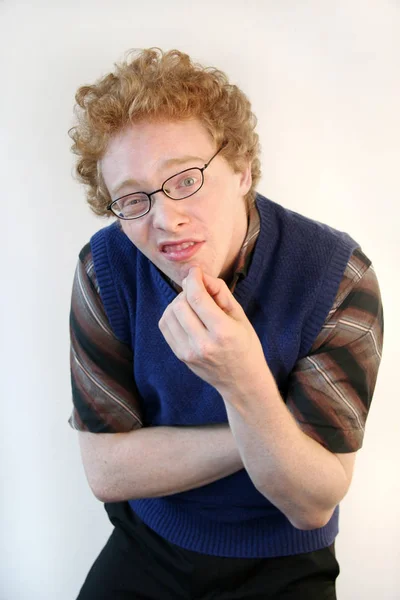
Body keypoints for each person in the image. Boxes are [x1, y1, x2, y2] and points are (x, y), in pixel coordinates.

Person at [68, 47, 383, 600]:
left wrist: (243, 380)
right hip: (150, 544)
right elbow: (107, 473)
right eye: (132, 199)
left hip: (285, 561)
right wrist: (274, 433)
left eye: (185, 179)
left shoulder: (338, 276)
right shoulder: (106, 268)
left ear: (241, 169)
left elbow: (311, 503)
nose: (166, 218)